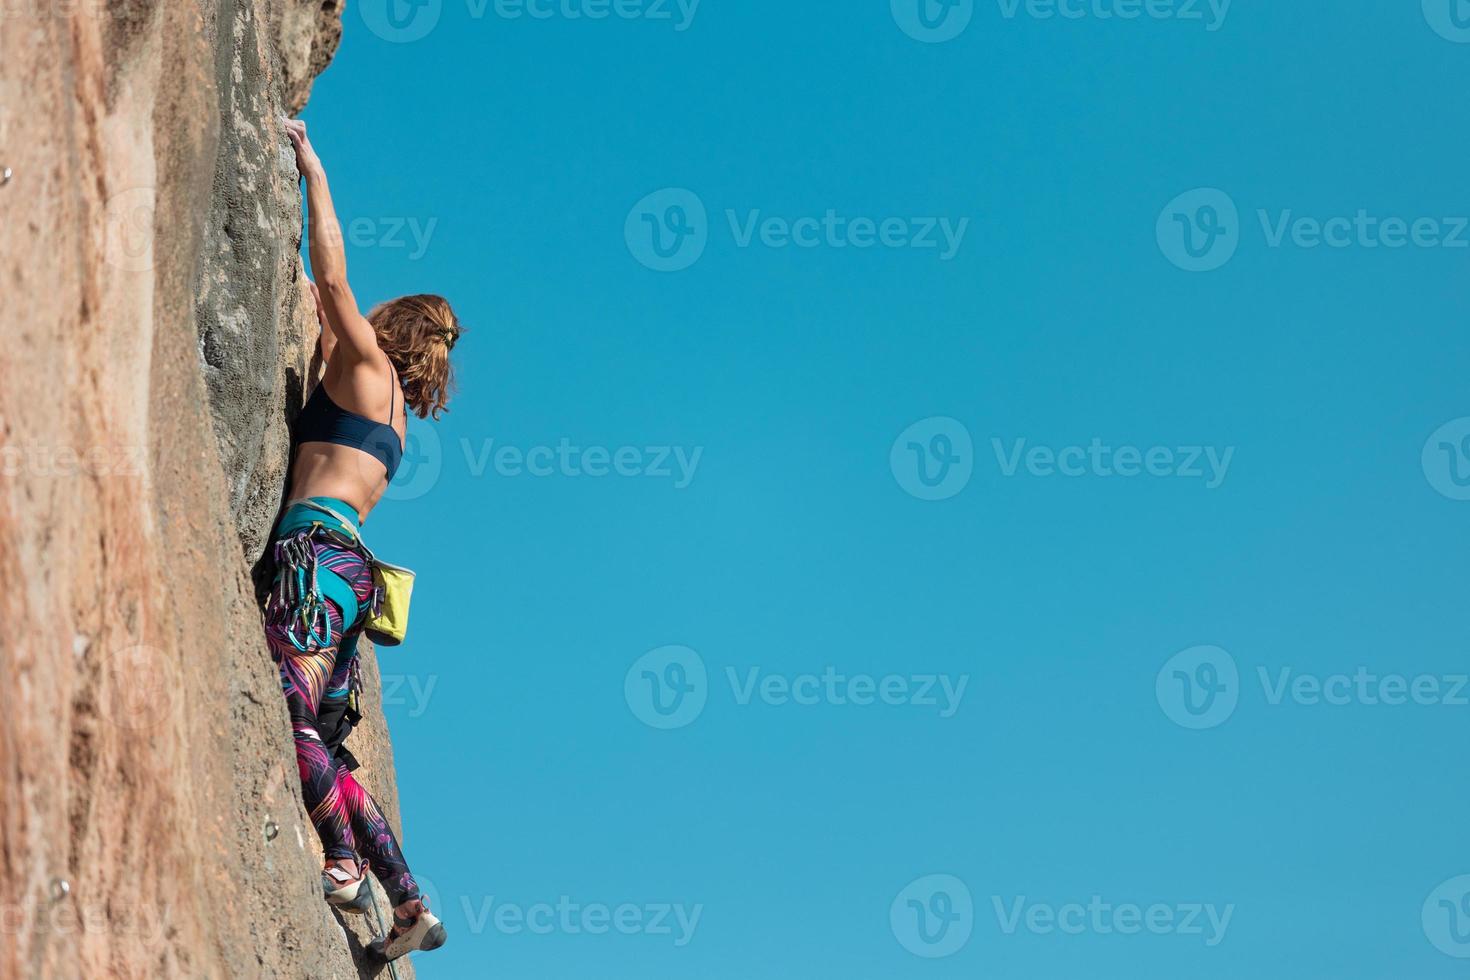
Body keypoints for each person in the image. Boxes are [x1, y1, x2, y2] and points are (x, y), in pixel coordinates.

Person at [262, 117, 460, 962]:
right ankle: (409, 903)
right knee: (331, 750)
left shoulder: (368, 365)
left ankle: (343, 863)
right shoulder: (398, 420)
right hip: (354, 575)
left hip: (313, 557)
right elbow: (322, 300)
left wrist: (314, 169)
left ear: (393, 329)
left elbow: (333, 273)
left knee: (285, 696)